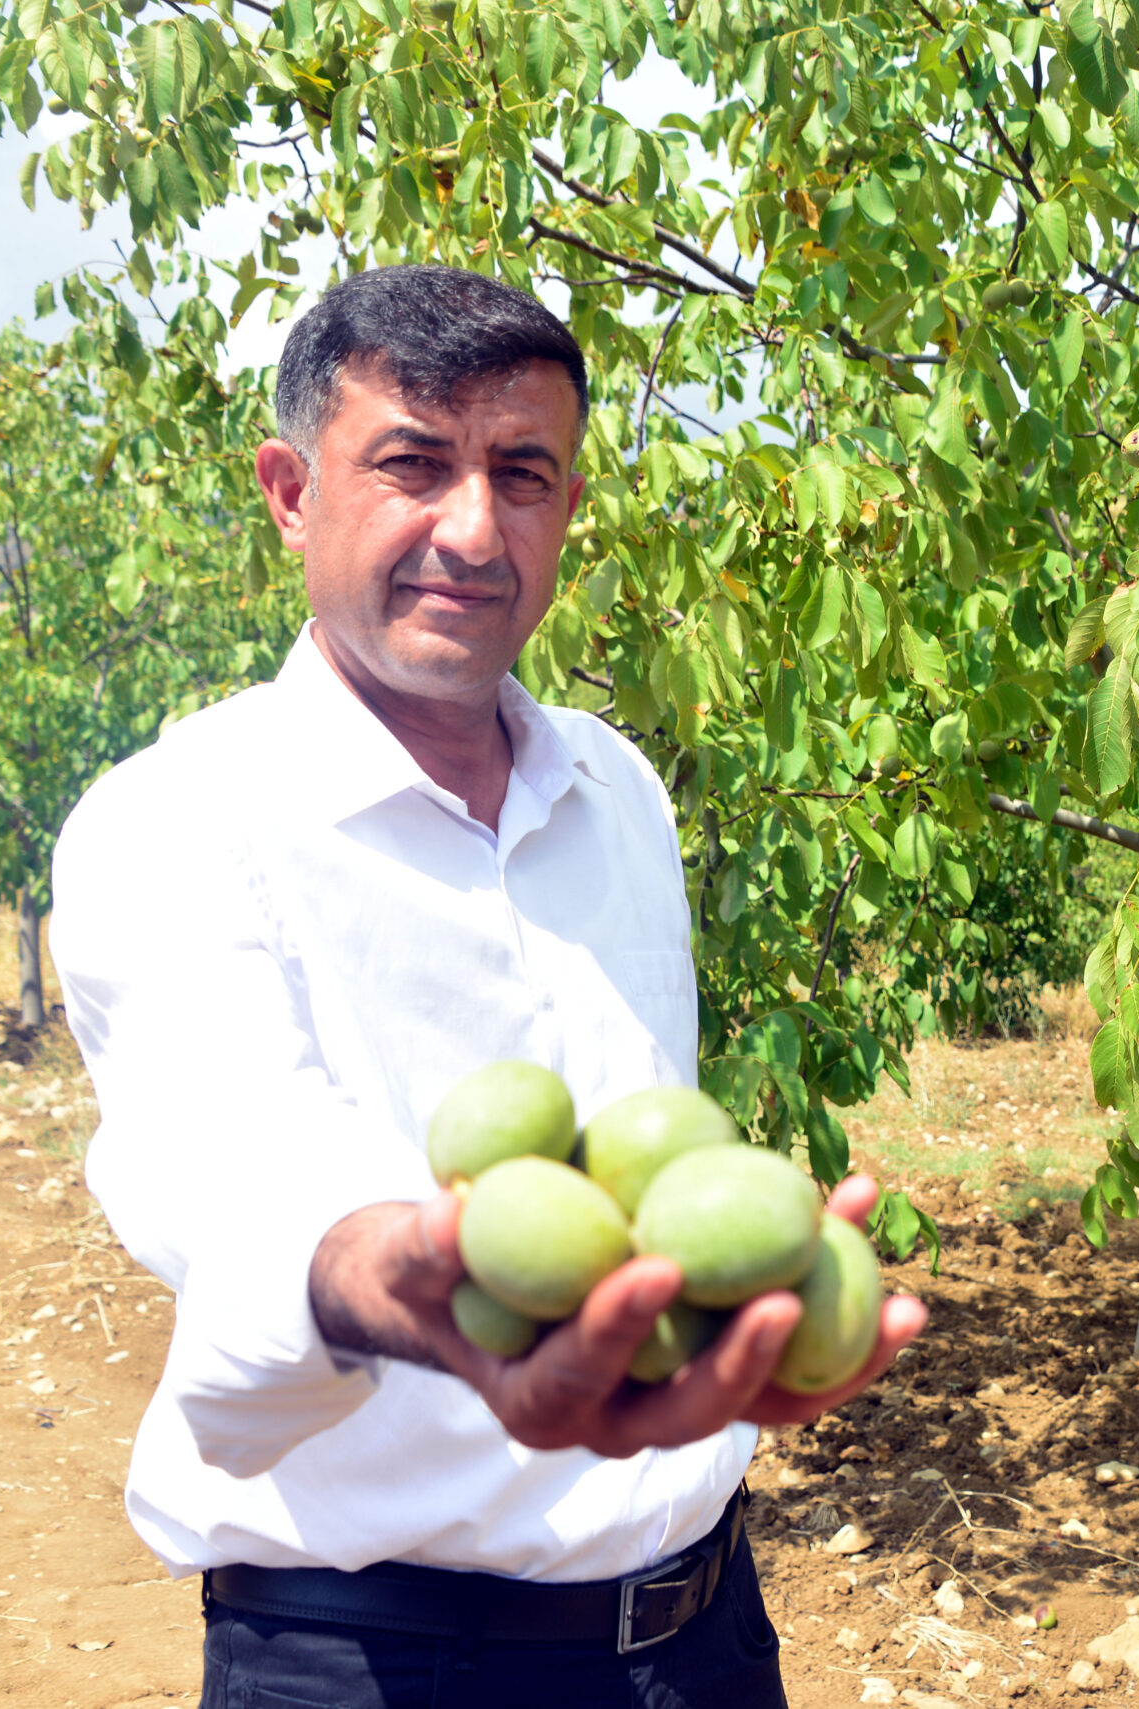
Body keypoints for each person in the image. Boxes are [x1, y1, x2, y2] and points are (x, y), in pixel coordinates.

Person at [50, 264, 925, 1708]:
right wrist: (403, 1274)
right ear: (289, 490)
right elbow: (244, 1178)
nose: (472, 527)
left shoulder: (618, 788)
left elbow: (642, 1168)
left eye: (523, 474)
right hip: (385, 1658)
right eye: (411, 463)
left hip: (705, 1633)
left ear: (568, 508)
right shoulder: (176, 820)